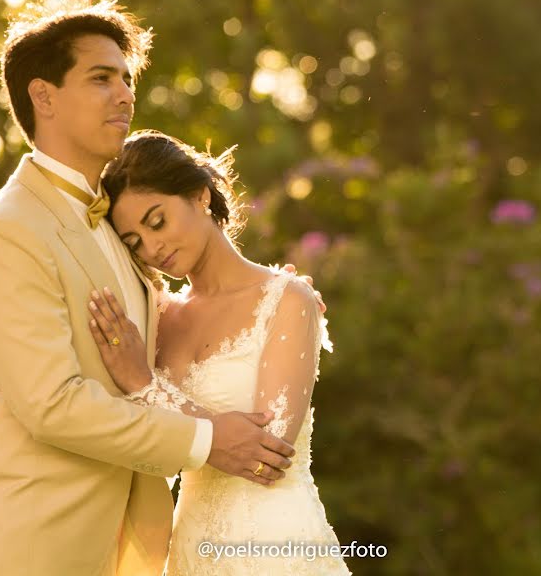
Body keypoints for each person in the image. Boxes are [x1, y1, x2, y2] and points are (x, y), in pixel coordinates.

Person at [0, 0, 298, 576]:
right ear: (43, 96)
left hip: (127, 549)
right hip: (29, 541)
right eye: (101, 78)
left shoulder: (115, 220)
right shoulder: (11, 231)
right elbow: (53, 404)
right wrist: (205, 441)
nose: (125, 95)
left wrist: (275, 303)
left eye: (127, 79)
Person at [87, 129, 351, 574]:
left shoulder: (285, 301)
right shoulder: (157, 319)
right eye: (134, 242)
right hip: (190, 550)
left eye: (157, 222)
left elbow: (268, 455)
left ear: (198, 195)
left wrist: (145, 386)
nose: (153, 248)